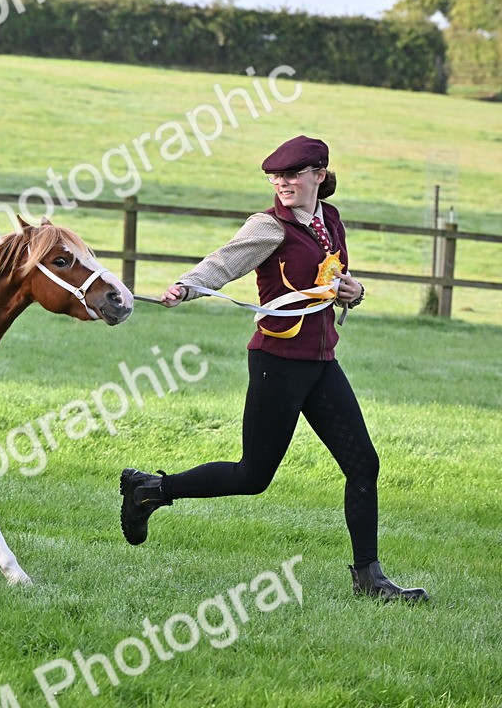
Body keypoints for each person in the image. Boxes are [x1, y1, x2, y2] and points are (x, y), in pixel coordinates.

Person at [120, 135, 429, 602]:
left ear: (318, 177)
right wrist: (187, 287)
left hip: (322, 362)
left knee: (364, 462)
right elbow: (225, 261)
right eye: (275, 176)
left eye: (292, 174)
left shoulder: (330, 220)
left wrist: (354, 290)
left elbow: (335, 278)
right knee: (253, 477)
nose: (281, 182)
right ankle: (150, 491)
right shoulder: (270, 226)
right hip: (278, 363)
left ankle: (369, 579)